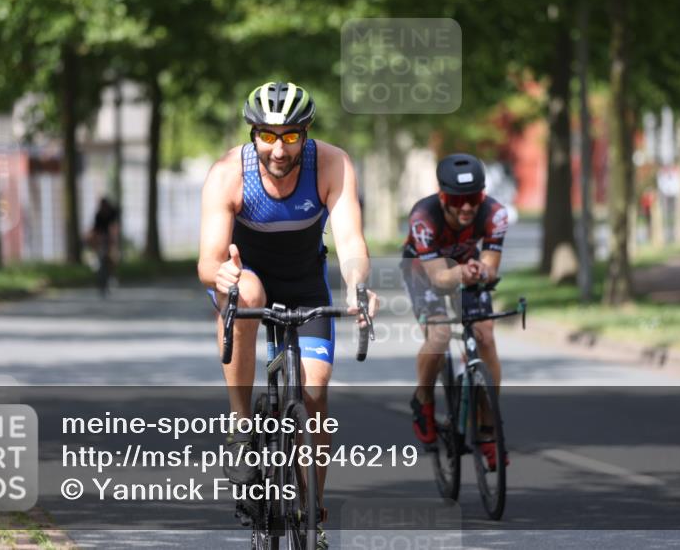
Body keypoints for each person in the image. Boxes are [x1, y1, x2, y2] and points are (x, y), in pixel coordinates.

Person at [197, 81, 377, 547]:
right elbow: (208, 259)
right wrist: (220, 277)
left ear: (306, 133)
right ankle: (241, 423)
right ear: (253, 133)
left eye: (291, 137)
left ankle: (312, 508)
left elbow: (350, 241)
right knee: (248, 289)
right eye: (268, 136)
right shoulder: (227, 174)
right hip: (246, 279)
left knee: (314, 392)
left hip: (304, 287)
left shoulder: (332, 164)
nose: (279, 149)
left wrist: (359, 286)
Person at [401, 153, 509, 469]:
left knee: (485, 335)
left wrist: (482, 271)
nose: (466, 207)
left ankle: (489, 428)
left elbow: (490, 265)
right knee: (440, 334)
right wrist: (466, 272)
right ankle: (423, 401)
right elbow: (439, 277)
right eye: (458, 199)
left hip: (463, 269)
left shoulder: (495, 214)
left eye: (473, 198)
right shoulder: (424, 216)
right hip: (423, 272)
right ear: (443, 196)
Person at [88, 197, 120, 296]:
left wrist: (113, 238)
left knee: (113, 258)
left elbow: (115, 226)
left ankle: (111, 275)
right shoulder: (98, 215)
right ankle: (100, 280)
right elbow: (95, 230)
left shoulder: (113, 213)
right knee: (99, 258)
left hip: (111, 238)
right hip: (102, 238)